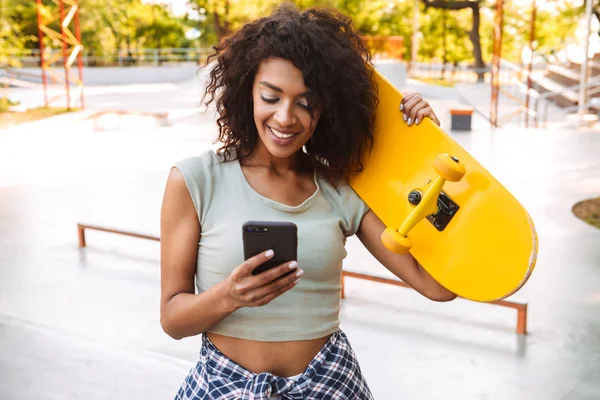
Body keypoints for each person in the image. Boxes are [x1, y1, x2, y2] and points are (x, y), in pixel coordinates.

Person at [159, 3, 456, 399]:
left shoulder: (340, 188)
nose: (285, 117)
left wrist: (423, 158)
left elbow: (437, 286)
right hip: (223, 386)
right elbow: (173, 320)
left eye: (305, 102)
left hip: (329, 385)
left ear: (328, 107)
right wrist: (230, 295)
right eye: (271, 96)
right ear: (246, 90)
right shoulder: (196, 181)